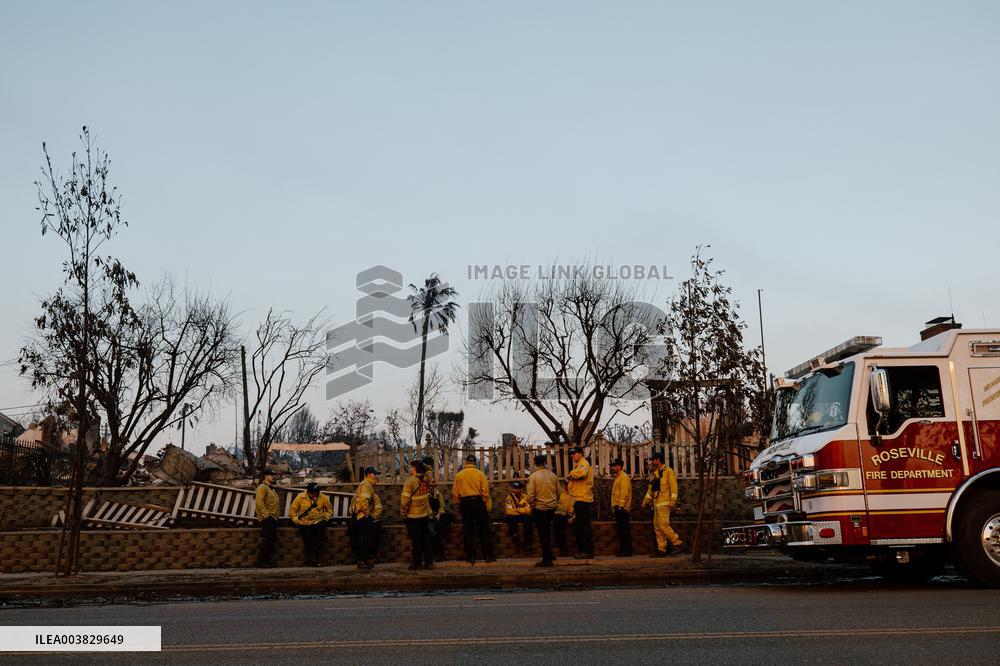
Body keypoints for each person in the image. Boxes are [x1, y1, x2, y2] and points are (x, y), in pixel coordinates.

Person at [452, 453, 495, 563]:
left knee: (468, 530)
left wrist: (458, 505)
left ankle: (471, 556)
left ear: (466, 462)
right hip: (478, 502)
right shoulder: (480, 474)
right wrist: (483, 502)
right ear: (475, 463)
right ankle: (488, 555)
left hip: (465, 503)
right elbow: (485, 491)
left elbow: (455, 493)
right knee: (484, 530)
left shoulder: (459, 475)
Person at [642, 452, 683, 557]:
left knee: (663, 525)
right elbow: (650, 491)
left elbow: (674, 488)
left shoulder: (668, 472)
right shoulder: (654, 474)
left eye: (653, 460)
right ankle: (661, 549)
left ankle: (677, 542)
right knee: (657, 527)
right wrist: (645, 502)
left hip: (665, 504)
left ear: (658, 460)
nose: (652, 462)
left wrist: (672, 501)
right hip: (656, 504)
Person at [525, 454, 560, 567]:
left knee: (543, 534)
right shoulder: (553, 476)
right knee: (549, 532)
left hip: (539, 509)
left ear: (535, 464)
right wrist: (553, 502)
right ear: (545, 463)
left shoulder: (533, 477)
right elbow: (559, 493)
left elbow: (530, 496)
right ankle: (550, 555)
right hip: (551, 509)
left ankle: (547, 559)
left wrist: (532, 505)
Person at [289, 482, 333, 566]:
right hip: (304, 522)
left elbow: (329, 510)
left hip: (318, 521)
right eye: (315, 492)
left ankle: (312, 558)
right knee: (308, 538)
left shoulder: (323, 497)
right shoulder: (300, 497)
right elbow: (292, 511)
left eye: (317, 492)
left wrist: (325, 518)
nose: (317, 493)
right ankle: (314, 559)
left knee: (319, 535)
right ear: (309, 492)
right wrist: (296, 521)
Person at [401, 460, 434, 570]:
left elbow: (405, 501)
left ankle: (416, 563)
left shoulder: (410, 482)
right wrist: (422, 466)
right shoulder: (426, 479)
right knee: (426, 540)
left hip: (413, 517)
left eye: (411, 467)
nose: (409, 469)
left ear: (415, 468)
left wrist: (403, 513)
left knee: (416, 541)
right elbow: (430, 471)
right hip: (424, 515)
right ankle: (429, 563)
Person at [350, 466, 381, 570]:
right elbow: (364, 500)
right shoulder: (366, 484)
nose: (376, 476)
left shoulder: (367, 485)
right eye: (374, 474)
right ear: (369, 474)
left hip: (360, 516)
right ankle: (362, 560)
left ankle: (364, 560)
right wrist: (368, 514)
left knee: (367, 538)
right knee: (367, 539)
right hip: (362, 516)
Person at [566, 446, 594, 559]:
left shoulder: (583, 464)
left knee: (584, 526)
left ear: (580, 454)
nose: (572, 456)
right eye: (571, 454)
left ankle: (587, 551)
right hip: (579, 499)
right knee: (580, 526)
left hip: (583, 499)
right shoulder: (579, 465)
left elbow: (580, 474)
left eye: (574, 453)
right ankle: (583, 551)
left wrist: (571, 474)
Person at [421, 456, 450, 561]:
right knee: (432, 531)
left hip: (435, 517)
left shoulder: (438, 493)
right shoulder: (424, 493)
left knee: (447, 518)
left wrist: (439, 514)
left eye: (433, 482)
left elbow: (442, 507)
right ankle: (436, 554)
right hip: (426, 517)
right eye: (430, 482)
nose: (432, 484)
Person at [254, 467, 280, 568]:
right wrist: (266, 516)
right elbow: (259, 503)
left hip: (272, 518)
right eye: (271, 475)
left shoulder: (269, 487)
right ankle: (261, 561)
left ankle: (266, 561)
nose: (273, 477)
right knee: (268, 540)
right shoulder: (262, 487)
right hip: (267, 519)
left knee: (271, 540)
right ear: (266, 476)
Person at [611, 458, 633, 557]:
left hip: (622, 509)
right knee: (621, 530)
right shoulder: (618, 477)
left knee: (624, 530)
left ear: (619, 466)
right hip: (619, 508)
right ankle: (624, 550)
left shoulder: (623, 477)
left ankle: (627, 550)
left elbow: (624, 493)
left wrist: (620, 506)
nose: (612, 467)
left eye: (614, 465)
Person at [503, 481, 533, 551]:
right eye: (513, 488)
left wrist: (517, 510)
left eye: (517, 488)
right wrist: (522, 510)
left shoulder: (526, 497)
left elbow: (528, 510)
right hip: (513, 516)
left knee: (528, 520)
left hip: (522, 516)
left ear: (521, 489)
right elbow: (509, 511)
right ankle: (515, 537)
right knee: (509, 518)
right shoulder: (509, 497)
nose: (514, 490)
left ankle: (527, 543)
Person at [553, 481, 572, 556]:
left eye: (568, 484)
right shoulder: (560, 494)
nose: (567, 486)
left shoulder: (576, 494)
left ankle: (562, 546)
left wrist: (573, 517)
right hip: (560, 514)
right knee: (558, 522)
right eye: (566, 484)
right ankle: (561, 547)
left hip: (570, 514)